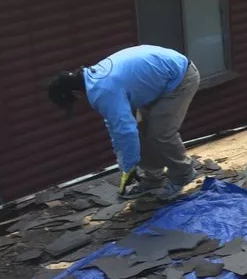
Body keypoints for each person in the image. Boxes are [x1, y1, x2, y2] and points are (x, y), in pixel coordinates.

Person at [48, 45, 200, 200]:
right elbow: (115, 125)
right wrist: (126, 163)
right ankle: (153, 178)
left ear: (74, 93)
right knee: (142, 130)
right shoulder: (93, 79)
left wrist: (128, 166)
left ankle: (183, 173)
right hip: (159, 78)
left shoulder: (103, 91)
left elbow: (125, 131)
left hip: (180, 77)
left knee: (160, 134)